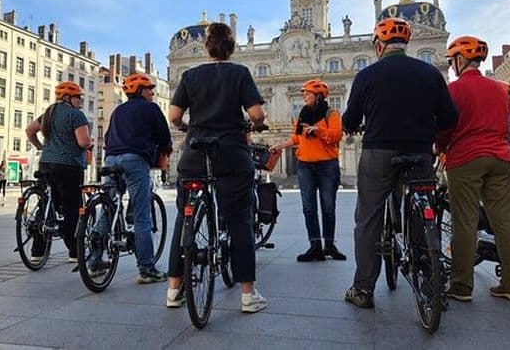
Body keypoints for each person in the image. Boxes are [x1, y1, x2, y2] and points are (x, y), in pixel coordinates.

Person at [342, 17, 458, 309]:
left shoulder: (367, 75)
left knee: (367, 219)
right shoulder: (430, 73)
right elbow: (450, 119)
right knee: (423, 207)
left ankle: (363, 289)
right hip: (419, 152)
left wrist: (354, 125)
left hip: (378, 152)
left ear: (379, 46)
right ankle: (430, 275)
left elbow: (351, 118)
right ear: (406, 44)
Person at [167, 22, 268, 313]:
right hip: (231, 152)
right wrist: (257, 125)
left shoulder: (190, 75)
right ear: (231, 47)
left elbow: (174, 115)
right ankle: (248, 295)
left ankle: (174, 289)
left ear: (208, 47)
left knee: (183, 219)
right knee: (239, 219)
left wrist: (187, 126)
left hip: (195, 152)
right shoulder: (239, 73)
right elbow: (256, 113)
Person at [437, 36, 510, 303]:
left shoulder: (455, 89)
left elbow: (445, 127)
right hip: (500, 157)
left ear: (460, 60)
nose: (452, 66)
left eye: (452, 61)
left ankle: (462, 286)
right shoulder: (500, 89)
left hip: (467, 158)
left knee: (465, 221)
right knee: (505, 222)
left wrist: (439, 147)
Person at [92, 73, 172, 283]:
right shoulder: (151, 108)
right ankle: (146, 269)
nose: (153, 93)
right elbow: (164, 137)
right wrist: (163, 154)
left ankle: (93, 261)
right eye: (149, 89)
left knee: (109, 207)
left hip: (110, 160)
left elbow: (108, 137)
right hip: (135, 160)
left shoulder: (118, 110)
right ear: (141, 91)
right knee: (142, 215)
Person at [271, 79, 345, 262]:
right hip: (305, 166)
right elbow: (296, 139)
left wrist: (318, 130)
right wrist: (278, 146)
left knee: (328, 207)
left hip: (327, 165)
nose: (304, 96)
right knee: (308, 207)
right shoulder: (301, 116)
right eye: (304, 93)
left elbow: (337, 135)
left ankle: (329, 245)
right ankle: (315, 246)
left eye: (307, 93)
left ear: (318, 96)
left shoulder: (331, 113)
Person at [26, 81, 92, 264]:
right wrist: (90, 142)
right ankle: (74, 251)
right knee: (71, 209)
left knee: (46, 205)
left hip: (46, 164)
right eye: (79, 97)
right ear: (69, 98)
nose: (81, 101)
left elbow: (30, 130)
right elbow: (83, 142)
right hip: (68, 166)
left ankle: (37, 251)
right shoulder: (76, 115)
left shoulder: (49, 113)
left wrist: (40, 147)